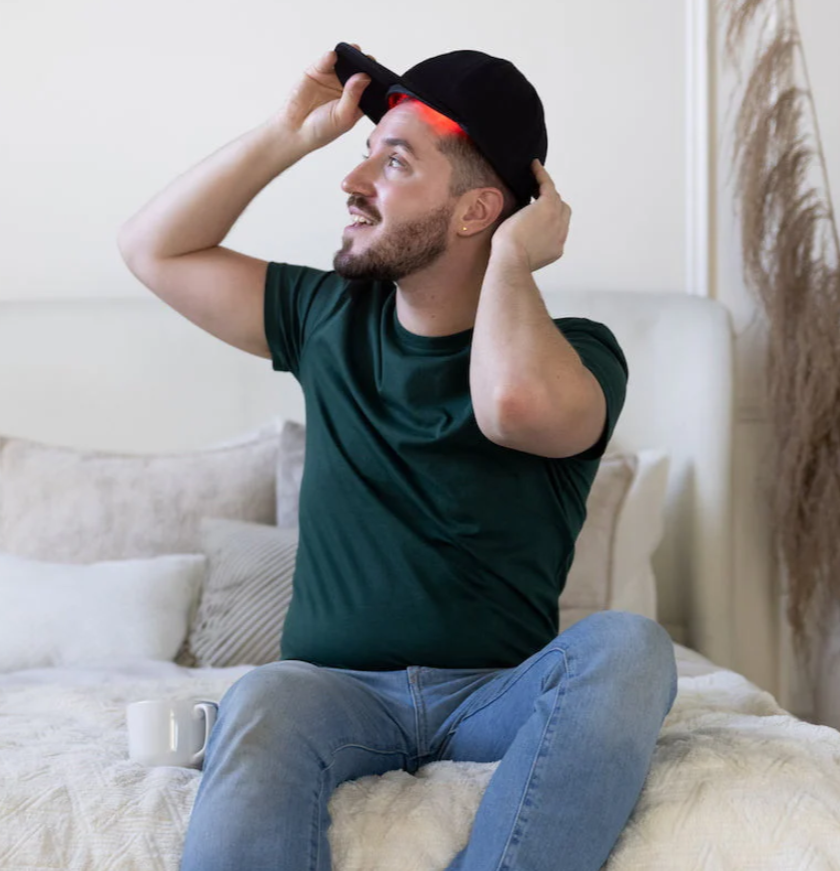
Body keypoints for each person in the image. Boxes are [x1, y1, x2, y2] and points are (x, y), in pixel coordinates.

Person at [118, 41, 678, 871]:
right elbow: (152, 250)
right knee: (262, 691)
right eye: (364, 159)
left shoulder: (578, 356)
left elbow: (510, 407)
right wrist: (286, 133)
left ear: (475, 211)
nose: (351, 182)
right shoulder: (325, 317)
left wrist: (514, 261)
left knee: (631, 646)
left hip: (496, 694)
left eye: (393, 161)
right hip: (330, 694)